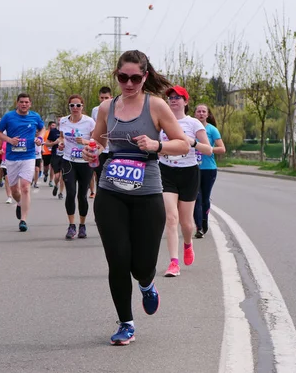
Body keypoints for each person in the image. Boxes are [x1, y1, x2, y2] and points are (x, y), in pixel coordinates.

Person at [82, 50, 189, 345]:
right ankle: (126, 322)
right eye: (123, 78)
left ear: (144, 76)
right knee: (117, 261)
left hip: (147, 192)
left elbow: (182, 144)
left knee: (141, 264)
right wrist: (91, 150)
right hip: (111, 190)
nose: (129, 84)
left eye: (135, 78)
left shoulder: (155, 106)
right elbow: (97, 140)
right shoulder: (107, 108)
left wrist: (156, 144)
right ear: (116, 76)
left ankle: (146, 284)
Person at [159, 86, 212, 278]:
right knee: (171, 218)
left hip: (189, 173)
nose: (173, 100)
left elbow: (209, 150)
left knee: (186, 223)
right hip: (166, 172)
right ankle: (174, 262)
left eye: (177, 97)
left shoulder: (193, 123)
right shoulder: (161, 122)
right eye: (170, 98)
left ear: (185, 102)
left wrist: (193, 143)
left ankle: (188, 243)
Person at [0, 93, 45, 231]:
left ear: (30, 104)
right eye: (21, 102)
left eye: (26, 102)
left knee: (25, 187)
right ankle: (19, 203)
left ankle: (23, 220)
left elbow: (42, 129)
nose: (24, 104)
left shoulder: (35, 116)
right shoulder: (8, 116)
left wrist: (40, 138)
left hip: (28, 156)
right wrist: (9, 140)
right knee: (14, 189)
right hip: (12, 158)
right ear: (17, 103)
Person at [58, 94, 96, 239]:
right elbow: (62, 136)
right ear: (69, 107)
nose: (75, 108)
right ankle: (71, 225)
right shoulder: (63, 121)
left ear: (82, 106)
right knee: (71, 193)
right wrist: (61, 143)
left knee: (82, 195)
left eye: (78, 105)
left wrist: (86, 141)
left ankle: (82, 225)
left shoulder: (89, 122)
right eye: (72, 105)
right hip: (68, 160)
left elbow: (96, 140)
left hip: (85, 161)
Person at [193, 104, 225, 237]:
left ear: (207, 114)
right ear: (195, 114)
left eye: (203, 111)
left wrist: (207, 149)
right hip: (192, 168)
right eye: (198, 111)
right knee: (196, 198)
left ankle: (204, 223)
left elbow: (222, 149)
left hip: (208, 169)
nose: (201, 113)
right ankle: (199, 227)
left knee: (205, 198)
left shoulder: (212, 130)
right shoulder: (189, 128)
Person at [90, 87, 113, 198]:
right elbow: (94, 129)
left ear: (111, 97)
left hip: (112, 148)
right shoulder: (95, 110)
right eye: (102, 98)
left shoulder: (116, 108)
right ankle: (100, 197)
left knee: (111, 175)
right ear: (99, 98)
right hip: (100, 148)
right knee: (99, 174)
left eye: (106, 98)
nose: (104, 100)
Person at [46, 118, 65, 200]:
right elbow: (47, 144)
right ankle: (56, 185)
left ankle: (61, 192)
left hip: (65, 156)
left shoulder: (68, 131)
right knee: (57, 176)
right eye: (59, 121)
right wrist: (54, 143)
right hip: (55, 155)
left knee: (62, 175)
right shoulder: (53, 131)